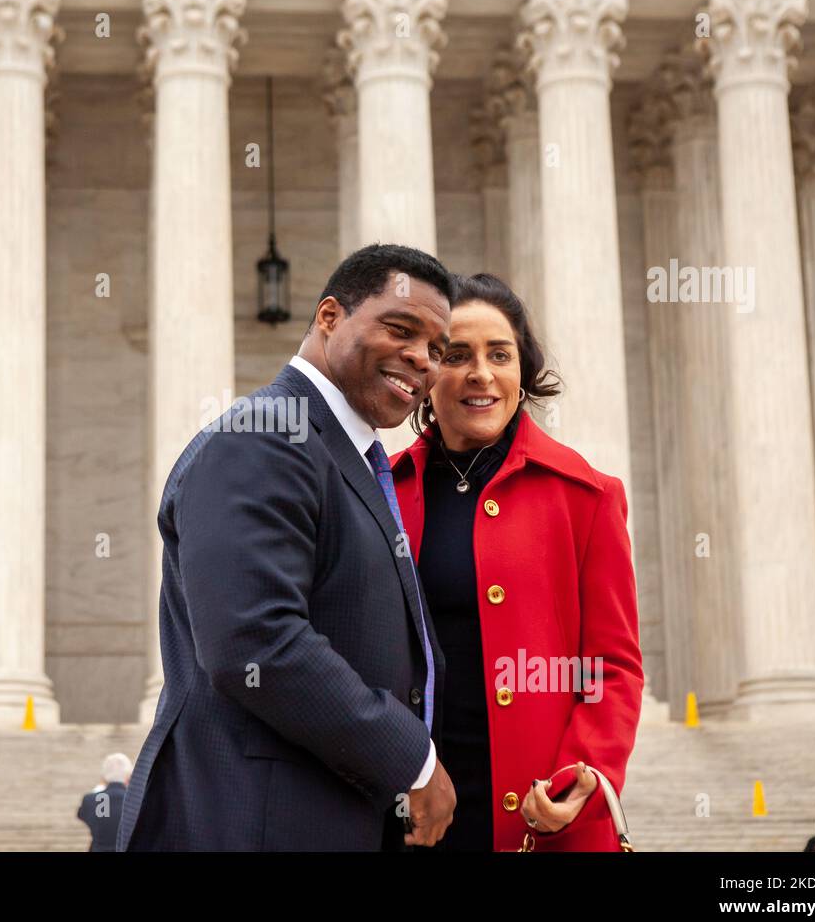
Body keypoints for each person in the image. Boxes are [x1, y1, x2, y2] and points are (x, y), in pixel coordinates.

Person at [118, 244, 458, 851]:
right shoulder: (266, 437)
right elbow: (257, 643)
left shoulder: (341, 455)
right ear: (329, 317)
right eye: (401, 329)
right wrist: (413, 760)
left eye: (436, 350)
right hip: (256, 825)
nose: (422, 361)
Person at [388, 273, 643, 851]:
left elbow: (612, 667)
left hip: (544, 817)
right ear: (427, 373)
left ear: (522, 373)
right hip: (413, 816)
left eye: (499, 354)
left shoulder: (587, 495)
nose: (481, 373)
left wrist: (578, 779)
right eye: (457, 354)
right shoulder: (381, 491)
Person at [78, 753, 132, 852]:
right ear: (128, 777)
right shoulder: (135, 799)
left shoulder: (90, 800)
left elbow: (81, 814)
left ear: (103, 777)